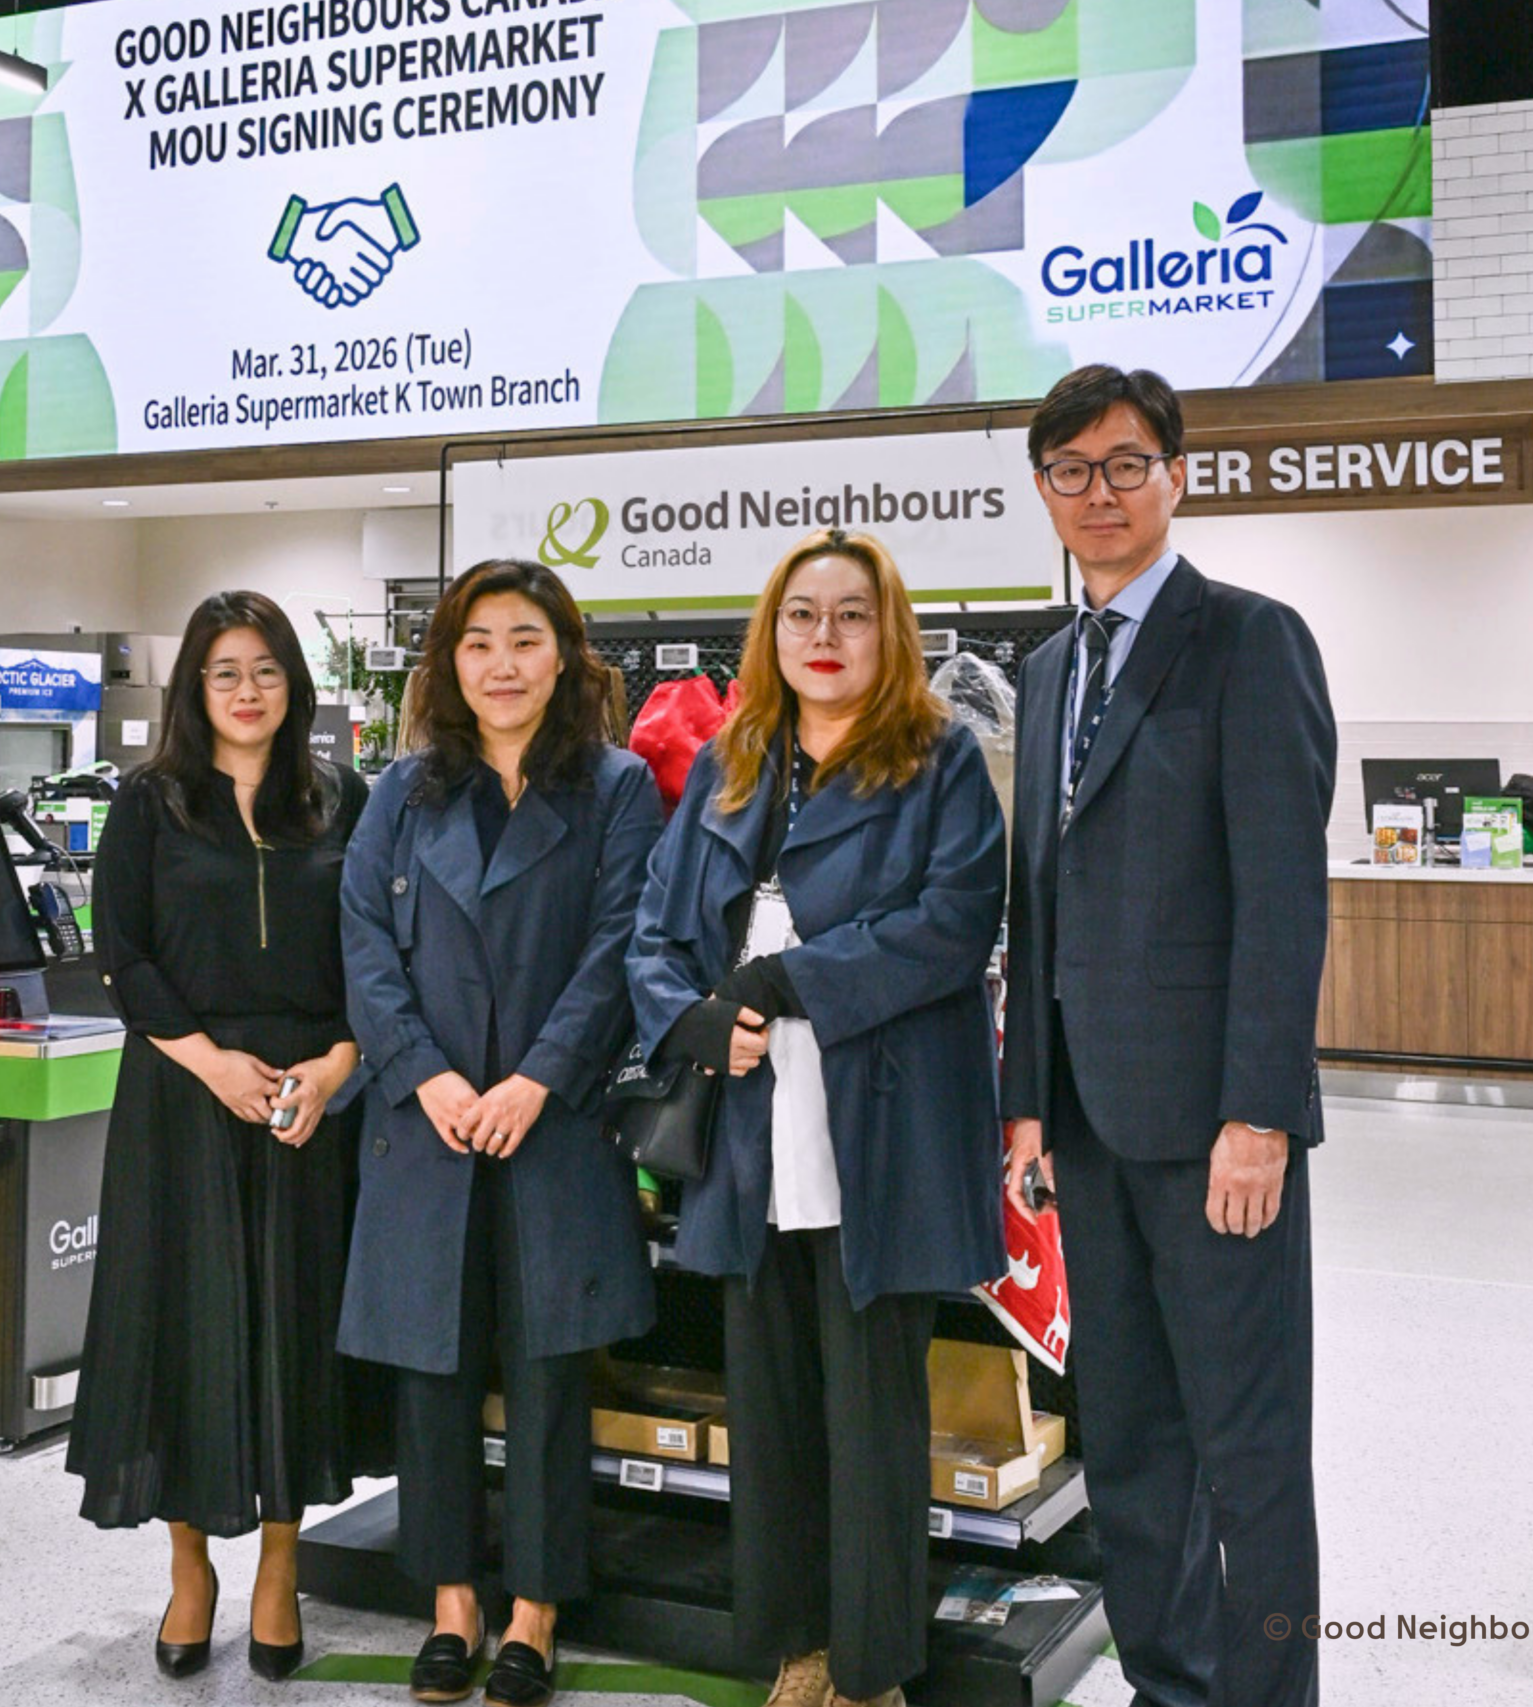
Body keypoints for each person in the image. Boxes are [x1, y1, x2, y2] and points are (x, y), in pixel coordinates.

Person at [1001, 364, 1336, 1707]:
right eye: (1071, 470)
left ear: (1176, 476)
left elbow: (1282, 900)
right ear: (1042, 489)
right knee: (1132, 1440)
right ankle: (1169, 1685)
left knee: (1247, 1449)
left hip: (1213, 1129)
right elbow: (1038, 901)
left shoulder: (1250, 640)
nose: (1100, 491)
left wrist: (1260, 1113)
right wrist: (1028, 1101)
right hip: (1085, 1123)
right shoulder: (1043, 669)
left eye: (1126, 463)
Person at [627, 528, 1008, 1707]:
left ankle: (871, 1666)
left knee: (873, 1414)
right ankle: (797, 1648)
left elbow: (956, 919)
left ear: (888, 630)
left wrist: (793, 979)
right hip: (749, 1129)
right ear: (771, 633)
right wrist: (692, 1019)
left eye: (851, 614)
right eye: (801, 615)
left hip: (880, 1127)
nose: (824, 636)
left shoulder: (938, 757)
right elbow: (652, 930)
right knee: (773, 1413)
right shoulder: (733, 761)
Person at [339, 559, 662, 1707]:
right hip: (425, 1126)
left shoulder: (618, 788)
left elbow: (623, 944)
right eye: (477, 643)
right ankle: (450, 1604)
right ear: (449, 662)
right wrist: (423, 1075)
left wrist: (538, 1079)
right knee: (430, 1372)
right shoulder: (401, 793)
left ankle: (535, 1610)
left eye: (525, 640)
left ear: (564, 657)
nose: (501, 665)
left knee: (546, 1374)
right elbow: (363, 948)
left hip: (552, 1125)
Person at [68, 590, 376, 1684]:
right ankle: (189, 1565)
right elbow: (123, 954)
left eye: (266, 670)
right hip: (181, 1094)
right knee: (182, 1326)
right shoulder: (149, 803)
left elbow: (376, 952)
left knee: (296, 1326)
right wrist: (210, 1062)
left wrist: (337, 1065)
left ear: (295, 683)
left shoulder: (343, 799)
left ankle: (280, 1567)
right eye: (225, 672)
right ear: (194, 688)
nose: (247, 691)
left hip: (309, 1104)